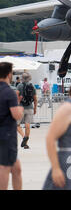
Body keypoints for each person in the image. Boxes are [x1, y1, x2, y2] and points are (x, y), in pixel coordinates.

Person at [0, 62, 24, 190]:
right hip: (6, 135)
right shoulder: (9, 92)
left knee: (16, 169)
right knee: (4, 168)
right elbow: (16, 115)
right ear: (9, 74)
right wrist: (19, 105)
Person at [17, 72, 37, 149]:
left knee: (17, 124)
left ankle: (23, 137)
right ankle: (25, 144)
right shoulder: (32, 86)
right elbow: (35, 99)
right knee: (27, 125)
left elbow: (17, 97)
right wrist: (35, 108)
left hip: (20, 108)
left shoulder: (19, 85)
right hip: (30, 108)